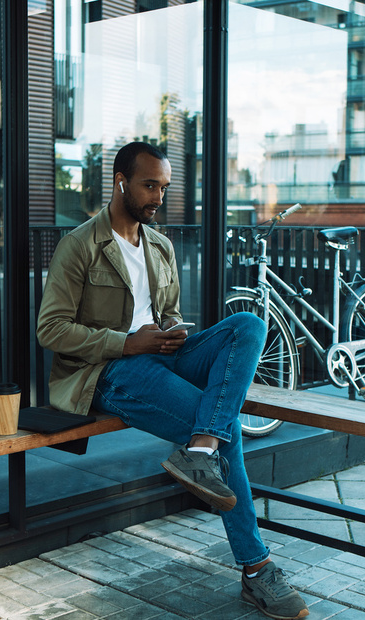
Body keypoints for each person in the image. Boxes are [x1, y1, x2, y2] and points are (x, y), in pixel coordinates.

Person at [37, 141, 309, 620]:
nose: (158, 197)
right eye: (149, 185)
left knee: (248, 325)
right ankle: (257, 570)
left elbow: (169, 314)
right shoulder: (80, 244)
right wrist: (129, 342)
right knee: (229, 439)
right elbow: (51, 329)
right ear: (120, 181)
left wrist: (169, 335)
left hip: (161, 357)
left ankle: (198, 449)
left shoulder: (159, 246)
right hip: (109, 372)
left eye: (163, 186)